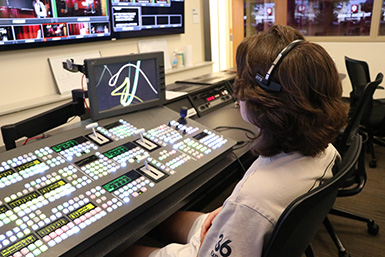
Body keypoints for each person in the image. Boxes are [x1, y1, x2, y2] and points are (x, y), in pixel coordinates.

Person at [121, 25, 348, 257]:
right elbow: (247, 208)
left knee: (120, 250)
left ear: (263, 101)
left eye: (242, 82)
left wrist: (238, 210)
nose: (237, 94)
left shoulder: (252, 200)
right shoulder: (326, 149)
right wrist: (229, 210)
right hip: (236, 227)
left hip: (215, 247)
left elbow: (249, 208)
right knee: (165, 219)